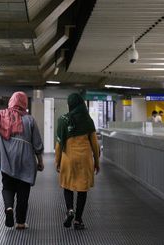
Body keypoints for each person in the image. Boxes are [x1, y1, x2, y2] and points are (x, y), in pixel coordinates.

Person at [0, 91, 44, 229]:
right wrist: (40, 161)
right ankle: (21, 222)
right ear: (24, 103)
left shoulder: (2, 116)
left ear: (11, 101)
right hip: (26, 160)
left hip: (7, 160)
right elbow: (37, 144)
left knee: (8, 186)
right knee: (23, 191)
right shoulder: (29, 120)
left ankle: (9, 207)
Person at [56, 93, 100, 230]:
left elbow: (59, 144)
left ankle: (70, 210)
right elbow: (95, 144)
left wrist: (57, 161)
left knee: (67, 186)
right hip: (85, 159)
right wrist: (97, 162)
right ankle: (78, 220)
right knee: (82, 189)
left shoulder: (63, 120)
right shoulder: (88, 120)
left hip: (68, 158)